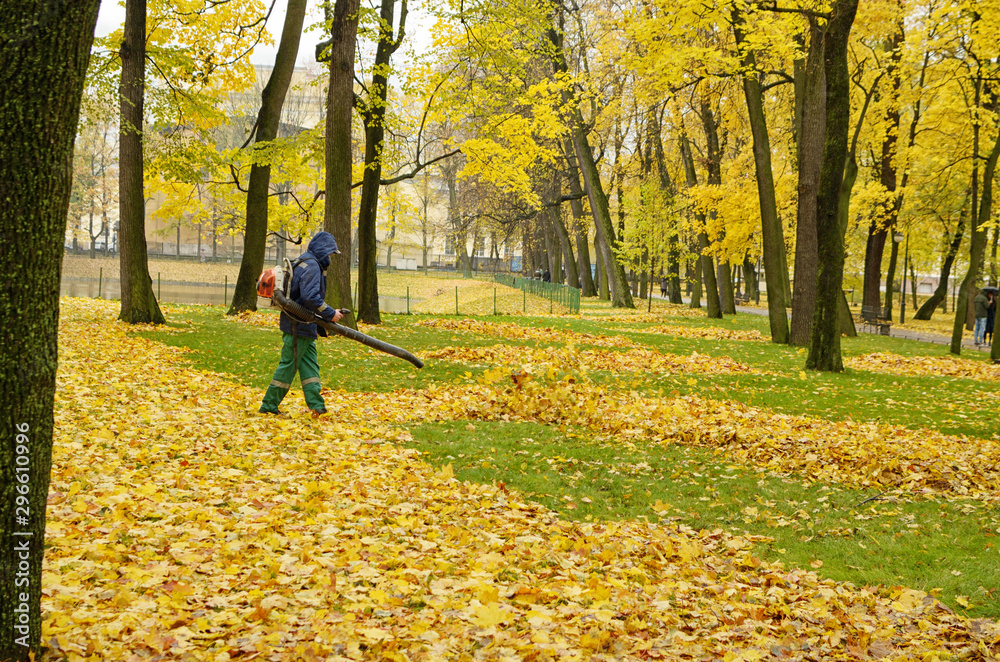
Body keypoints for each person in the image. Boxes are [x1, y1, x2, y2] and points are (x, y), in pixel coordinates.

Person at [259, 231, 343, 415]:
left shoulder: (304, 261)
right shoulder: (312, 266)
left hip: (301, 325)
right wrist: (330, 314)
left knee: (310, 367)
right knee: (288, 366)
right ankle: (268, 406)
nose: (330, 257)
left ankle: (317, 407)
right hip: (298, 326)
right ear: (323, 251)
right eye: (330, 253)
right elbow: (310, 297)